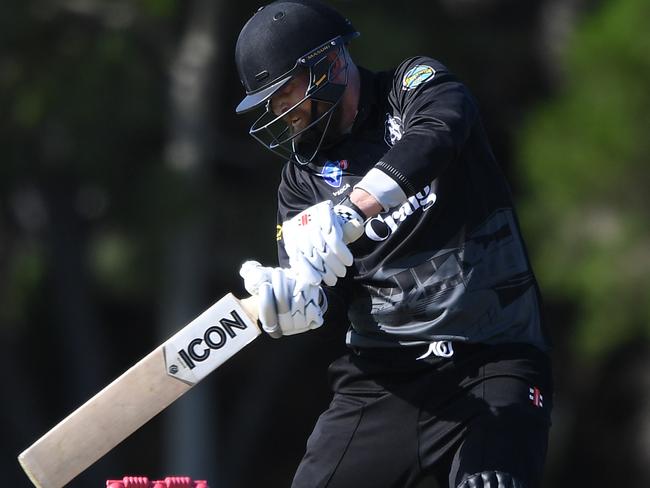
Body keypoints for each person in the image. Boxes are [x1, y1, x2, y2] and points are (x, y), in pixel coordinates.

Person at [234, 1, 553, 487]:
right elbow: (326, 292)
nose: (284, 115)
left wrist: (353, 209)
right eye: (273, 106)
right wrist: (299, 303)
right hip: (382, 384)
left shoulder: (410, 86)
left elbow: (440, 130)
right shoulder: (299, 183)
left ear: (330, 65)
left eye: (288, 95)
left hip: (493, 359)